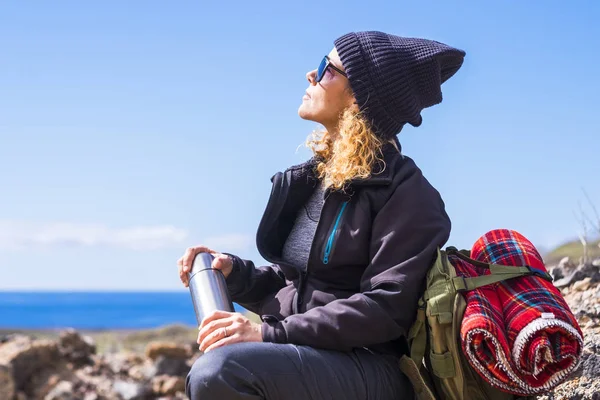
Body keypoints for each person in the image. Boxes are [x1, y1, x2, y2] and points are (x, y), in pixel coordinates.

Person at [178, 30, 465, 400]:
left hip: (372, 366)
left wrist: (269, 334)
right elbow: (297, 284)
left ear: (360, 96)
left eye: (326, 68)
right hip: (312, 355)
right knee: (218, 367)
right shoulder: (323, 177)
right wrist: (235, 274)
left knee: (219, 373)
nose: (310, 75)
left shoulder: (407, 193)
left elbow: (386, 307)